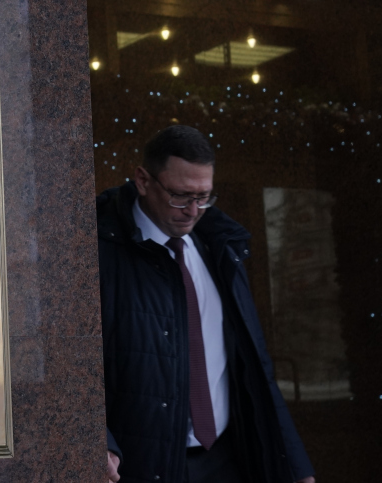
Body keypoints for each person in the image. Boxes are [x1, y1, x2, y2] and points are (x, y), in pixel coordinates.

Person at [96, 125, 315, 483]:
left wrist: (295, 466)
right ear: (143, 180)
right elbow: (68, 363)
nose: (193, 210)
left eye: (204, 197)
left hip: (226, 459)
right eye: (180, 196)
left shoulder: (220, 247)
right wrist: (97, 441)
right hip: (141, 464)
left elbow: (255, 365)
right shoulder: (99, 251)